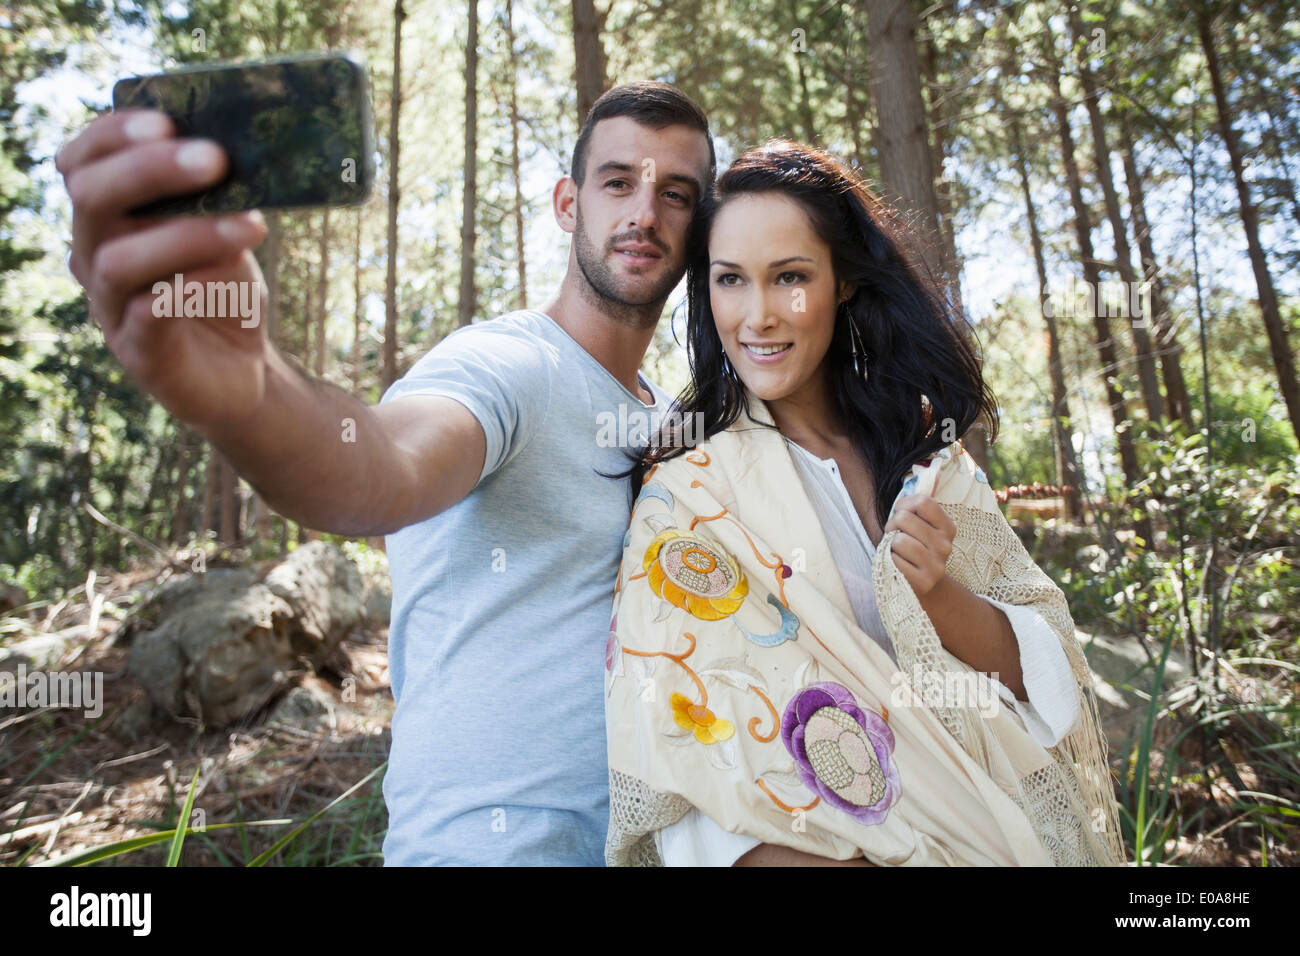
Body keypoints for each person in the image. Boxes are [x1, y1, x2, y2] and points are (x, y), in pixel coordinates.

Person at [56, 80, 716, 865]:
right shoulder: (509, 367)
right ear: (568, 203)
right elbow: (379, 465)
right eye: (617, 182)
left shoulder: (676, 426)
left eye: (676, 194)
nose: (644, 213)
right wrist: (253, 393)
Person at [604, 140, 1127, 867]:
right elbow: (703, 792)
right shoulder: (689, 500)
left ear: (843, 281)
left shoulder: (927, 457)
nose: (757, 316)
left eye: (790, 277)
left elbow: (1040, 682)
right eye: (730, 280)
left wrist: (935, 594)